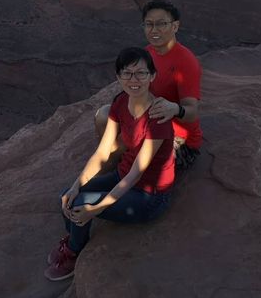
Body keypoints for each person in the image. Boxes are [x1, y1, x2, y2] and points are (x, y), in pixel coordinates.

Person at [44, 47, 174, 281]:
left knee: (83, 204)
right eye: (127, 74)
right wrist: (76, 185)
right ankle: (76, 236)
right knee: (69, 195)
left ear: (152, 76)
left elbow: (135, 174)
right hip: (122, 176)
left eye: (141, 74)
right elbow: (103, 153)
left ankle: (74, 252)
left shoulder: (158, 118)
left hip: (149, 196)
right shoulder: (121, 103)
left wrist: (98, 208)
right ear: (118, 77)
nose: (133, 80)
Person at [95, 0, 202, 170]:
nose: (154, 30)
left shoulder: (186, 63)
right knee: (103, 116)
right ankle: (117, 166)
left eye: (161, 24)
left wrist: (175, 109)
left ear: (175, 26)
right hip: (148, 121)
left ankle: (112, 172)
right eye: (149, 24)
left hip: (179, 140)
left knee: (136, 148)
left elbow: (192, 113)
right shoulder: (147, 53)